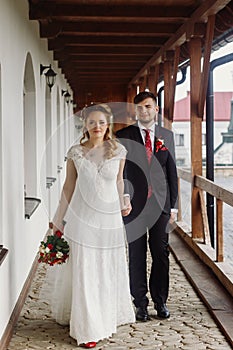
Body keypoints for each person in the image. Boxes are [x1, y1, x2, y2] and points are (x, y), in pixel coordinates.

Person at [44, 104, 135, 348]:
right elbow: (68, 187)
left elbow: (118, 182)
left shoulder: (119, 151)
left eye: (102, 122)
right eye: (92, 122)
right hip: (81, 218)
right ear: (85, 125)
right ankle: (88, 328)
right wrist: (57, 219)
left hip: (108, 221)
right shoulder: (75, 152)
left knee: (104, 269)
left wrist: (123, 202)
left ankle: (105, 318)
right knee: (85, 268)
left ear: (108, 126)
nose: (97, 127)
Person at [116, 91, 178, 322]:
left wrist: (173, 207)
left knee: (161, 254)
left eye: (148, 106)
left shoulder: (166, 136)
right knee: (136, 254)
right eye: (140, 107)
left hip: (160, 206)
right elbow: (118, 172)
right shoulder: (123, 135)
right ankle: (140, 303)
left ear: (156, 109)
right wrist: (123, 198)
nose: (144, 111)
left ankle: (160, 300)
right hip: (133, 206)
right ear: (135, 110)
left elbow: (172, 173)